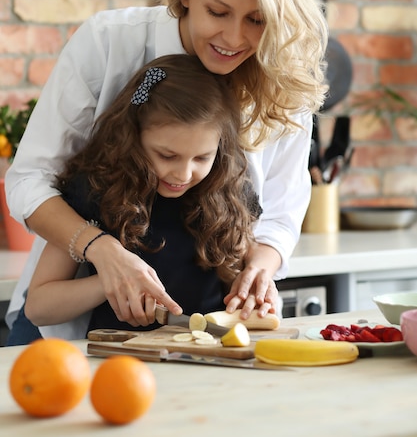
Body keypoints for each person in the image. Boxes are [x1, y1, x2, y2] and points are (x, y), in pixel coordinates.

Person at [5, 0, 328, 343]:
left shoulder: (283, 74)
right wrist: (105, 256)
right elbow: (29, 180)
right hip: (65, 333)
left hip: (198, 339)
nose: (234, 39)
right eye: (217, 12)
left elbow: (282, 208)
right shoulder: (108, 44)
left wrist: (259, 268)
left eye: (257, 20)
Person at [24, 54, 263, 333]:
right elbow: (39, 307)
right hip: (121, 362)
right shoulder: (94, 192)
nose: (183, 174)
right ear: (133, 137)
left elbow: (248, 261)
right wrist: (111, 279)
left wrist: (256, 282)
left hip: (211, 356)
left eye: (201, 158)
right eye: (167, 155)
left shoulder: (230, 192)